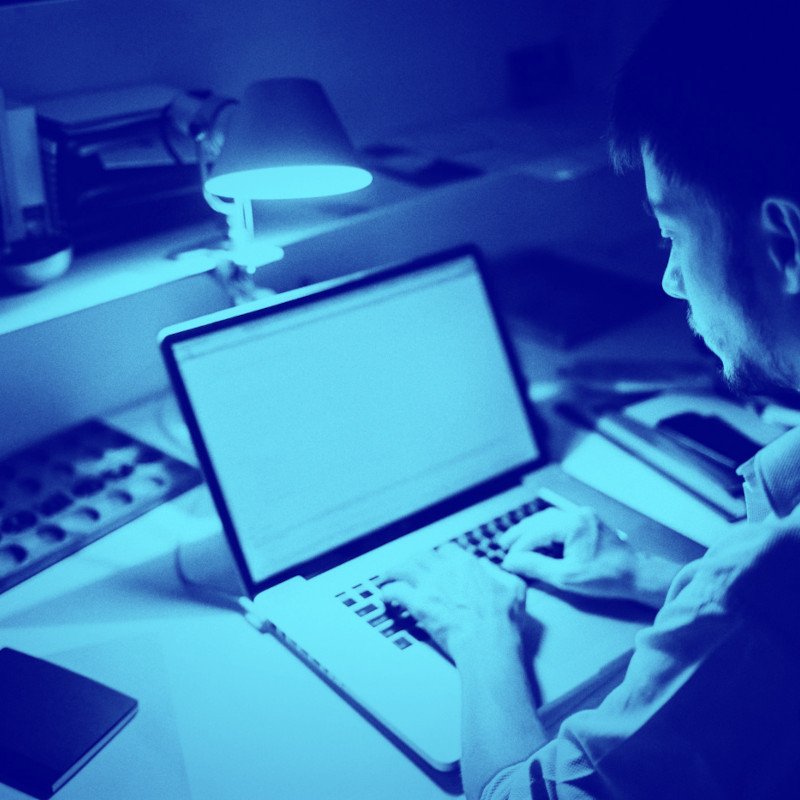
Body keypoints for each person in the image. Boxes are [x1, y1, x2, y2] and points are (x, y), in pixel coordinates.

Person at [381, 1, 800, 797]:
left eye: (673, 234)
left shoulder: (769, 584)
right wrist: (654, 578)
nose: (671, 279)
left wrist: (480, 634)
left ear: (785, 243)